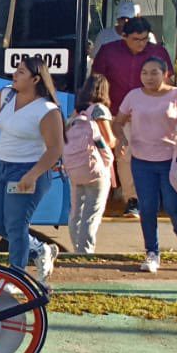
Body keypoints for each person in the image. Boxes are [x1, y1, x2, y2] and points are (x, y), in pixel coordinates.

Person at [0, 56, 64, 282]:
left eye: (21, 72)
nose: (15, 74)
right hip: (2, 167)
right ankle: (41, 249)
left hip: (28, 170)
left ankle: (16, 279)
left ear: (35, 79)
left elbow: (55, 149)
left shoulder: (47, 109)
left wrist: (32, 174)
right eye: (16, 70)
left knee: (16, 226)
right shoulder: (7, 95)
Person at [115, 58, 177, 273]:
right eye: (144, 73)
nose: (148, 77)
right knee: (147, 207)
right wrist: (122, 140)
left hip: (172, 160)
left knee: (173, 203)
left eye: (154, 73)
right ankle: (152, 253)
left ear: (165, 74)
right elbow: (118, 121)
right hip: (142, 160)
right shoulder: (133, 96)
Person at [90, 15, 173, 219]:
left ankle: (153, 197)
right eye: (136, 39)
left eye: (144, 39)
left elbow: (167, 83)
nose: (141, 44)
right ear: (124, 36)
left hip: (152, 114)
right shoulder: (109, 52)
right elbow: (97, 81)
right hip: (119, 115)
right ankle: (132, 200)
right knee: (124, 156)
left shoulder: (158, 52)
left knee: (152, 155)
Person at [66, 74, 117, 255]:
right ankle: (85, 253)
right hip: (96, 171)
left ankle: (77, 250)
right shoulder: (99, 110)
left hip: (75, 170)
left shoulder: (77, 112)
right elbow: (109, 140)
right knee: (91, 215)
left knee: (76, 214)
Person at [92, 0, 157, 53]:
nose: (126, 21)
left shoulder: (148, 37)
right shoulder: (104, 36)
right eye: (123, 18)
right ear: (117, 19)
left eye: (129, 19)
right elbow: (96, 61)